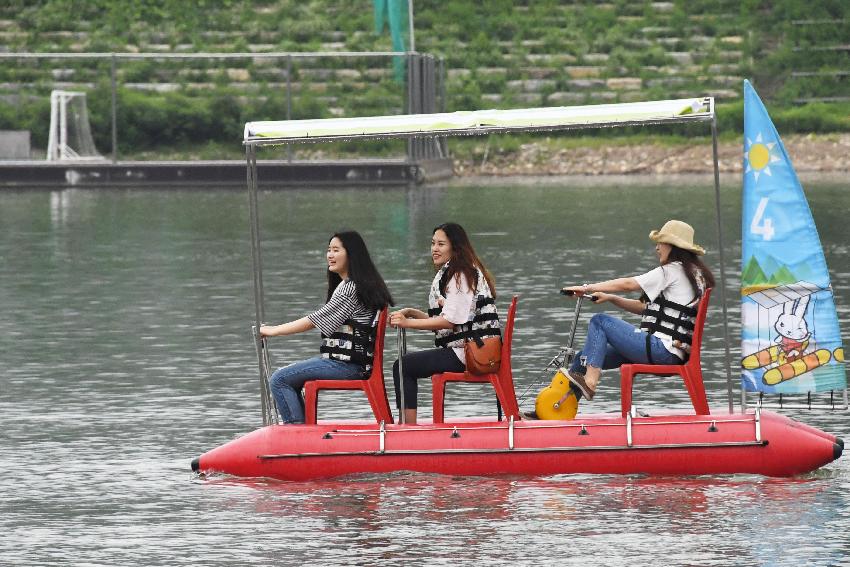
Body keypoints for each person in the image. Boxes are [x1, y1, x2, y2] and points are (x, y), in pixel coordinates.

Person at [561, 219, 716, 402]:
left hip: (662, 351)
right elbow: (645, 308)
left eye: (660, 243)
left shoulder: (671, 271)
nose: (657, 248)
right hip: (669, 352)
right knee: (582, 359)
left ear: (673, 246)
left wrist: (586, 288)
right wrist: (611, 298)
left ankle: (591, 382)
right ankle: (560, 409)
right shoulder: (693, 274)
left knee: (600, 321)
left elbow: (628, 284)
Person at [260, 231, 393, 424]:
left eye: (336, 250)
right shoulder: (357, 284)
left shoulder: (350, 288)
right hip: (349, 363)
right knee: (289, 378)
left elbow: (315, 320)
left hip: (348, 366)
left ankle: (297, 433)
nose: (330, 255)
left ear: (351, 254)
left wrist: (273, 331)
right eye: (328, 250)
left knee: (279, 379)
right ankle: (301, 430)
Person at [389, 222, 500, 424]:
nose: (434, 249)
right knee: (404, 365)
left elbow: (449, 322)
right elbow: (453, 322)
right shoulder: (458, 272)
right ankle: (407, 423)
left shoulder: (460, 274)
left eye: (441, 244)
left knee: (403, 366)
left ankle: (407, 427)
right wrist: (414, 314)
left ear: (454, 247)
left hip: (471, 352)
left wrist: (407, 323)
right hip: (472, 348)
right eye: (432, 243)